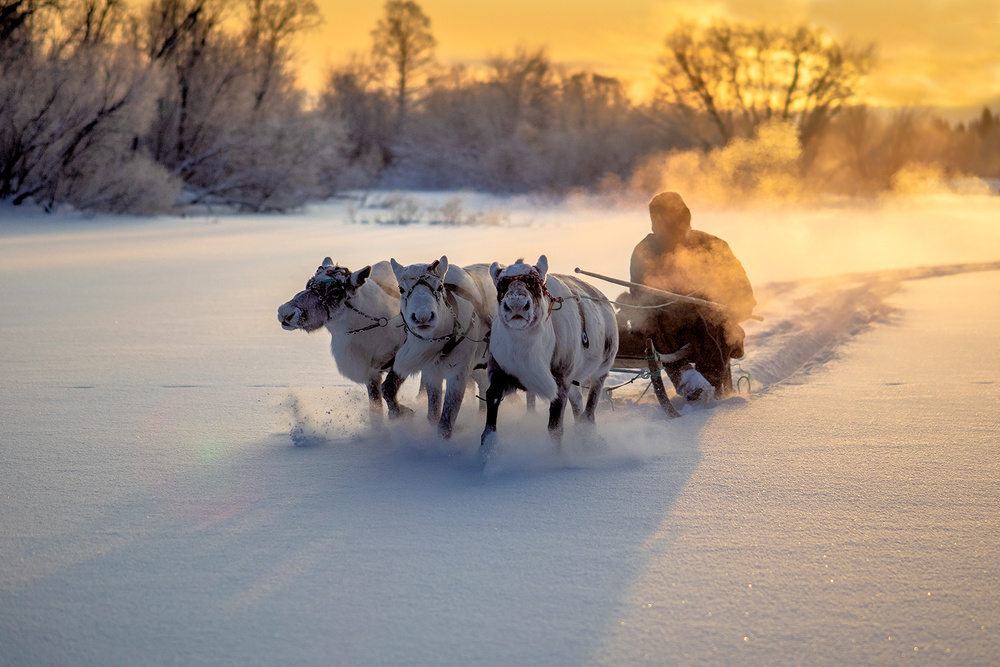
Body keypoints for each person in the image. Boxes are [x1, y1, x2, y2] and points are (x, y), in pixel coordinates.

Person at [623, 191, 756, 399]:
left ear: (686, 218)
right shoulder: (644, 251)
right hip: (667, 328)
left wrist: (730, 301)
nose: (670, 229)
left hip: (706, 323)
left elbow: (742, 291)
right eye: (659, 223)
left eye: (675, 221)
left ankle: (709, 384)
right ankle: (687, 382)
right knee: (650, 323)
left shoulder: (712, 246)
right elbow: (640, 296)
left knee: (714, 319)